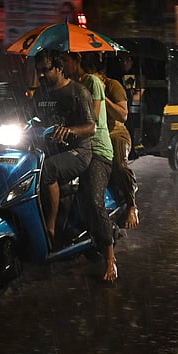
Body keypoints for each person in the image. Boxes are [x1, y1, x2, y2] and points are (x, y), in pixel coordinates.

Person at [32, 51, 97, 261]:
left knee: (48, 170)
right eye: (38, 70)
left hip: (78, 152)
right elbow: (30, 118)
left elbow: (91, 127)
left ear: (59, 68)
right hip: (49, 149)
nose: (41, 75)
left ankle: (49, 229)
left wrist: (70, 131)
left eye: (45, 70)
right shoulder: (40, 93)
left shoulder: (78, 92)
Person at [64, 51, 120, 282]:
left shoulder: (92, 82)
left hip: (97, 150)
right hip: (78, 147)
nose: (63, 66)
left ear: (76, 60)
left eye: (65, 61)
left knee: (95, 201)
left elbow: (93, 118)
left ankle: (110, 259)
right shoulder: (72, 85)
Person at [82, 52, 139, 229]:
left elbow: (123, 115)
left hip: (116, 134)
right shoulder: (82, 86)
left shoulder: (113, 86)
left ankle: (132, 205)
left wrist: (101, 97)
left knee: (120, 166)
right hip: (95, 135)